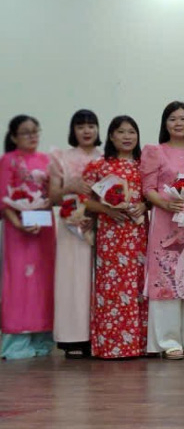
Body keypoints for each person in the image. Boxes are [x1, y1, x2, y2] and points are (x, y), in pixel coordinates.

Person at [83, 116, 149, 359]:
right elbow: (84, 200)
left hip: (138, 233)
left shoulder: (143, 164)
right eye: (121, 132)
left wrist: (144, 206)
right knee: (111, 288)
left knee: (138, 286)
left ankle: (140, 345)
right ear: (111, 136)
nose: (127, 136)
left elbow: (152, 195)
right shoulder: (100, 165)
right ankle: (111, 346)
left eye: (132, 131)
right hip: (111, 235)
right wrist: (108, 210)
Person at [141, 101, 184, 360]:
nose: (178, 123)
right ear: (165, 123)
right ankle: (167, 341)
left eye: (183, 118)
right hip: (165, 222)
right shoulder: (155, 151)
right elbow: (148, 188)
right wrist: (166, 203)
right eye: (173, 118)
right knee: (165, 278)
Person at [0, 115, 56, 360]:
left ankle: (42, 337)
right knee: (19, 282)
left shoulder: (46, 160)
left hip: (43, 227)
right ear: (13, 137)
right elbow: (3, 198)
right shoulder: (7, 161)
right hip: (17, 230)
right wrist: (18, 224)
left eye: (35, 131)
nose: (32, 136)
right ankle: (16, 342)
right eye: (25, 132)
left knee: (44, 281)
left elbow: (53, 194)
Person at [49, 109, 102, 359]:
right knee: (73, 281)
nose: (87, 130)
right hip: (71, 226)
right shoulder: (61, 158)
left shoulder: (105, 158)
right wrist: (69, 186)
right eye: (81, 126)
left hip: (100, 225)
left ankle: (98, 336)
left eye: (91, 125)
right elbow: (51, 197)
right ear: (73, 130)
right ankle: (72, 339)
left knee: (98, 281)